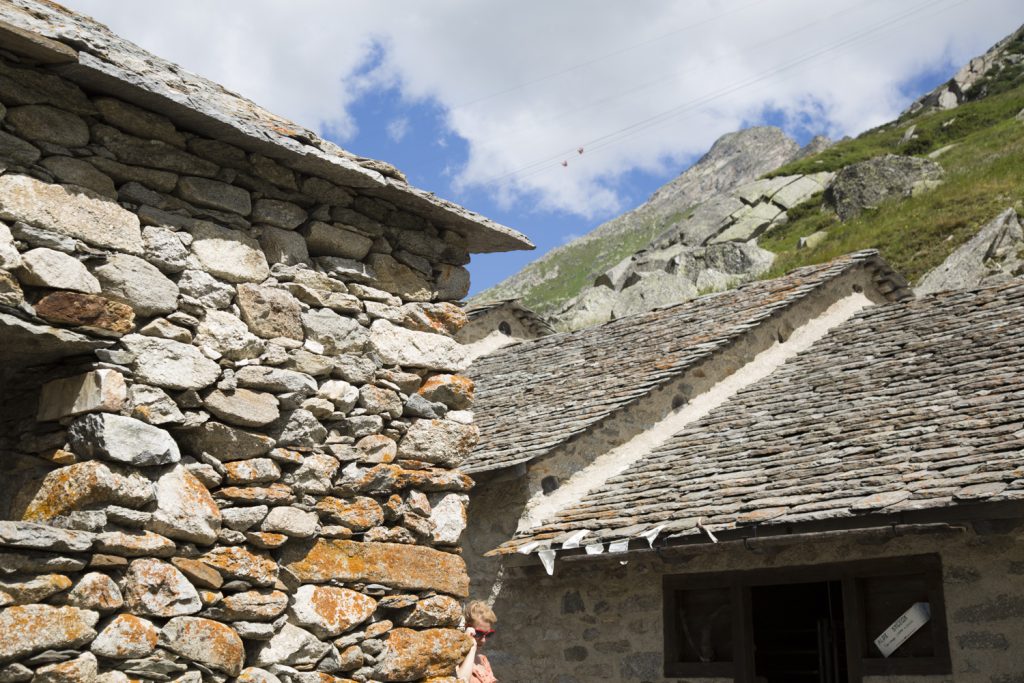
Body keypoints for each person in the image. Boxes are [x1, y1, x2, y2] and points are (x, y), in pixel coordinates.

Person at [457, 600, 498, 683]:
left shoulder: (482, 660)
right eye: (479, 633)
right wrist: (472, 647)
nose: (483, 640)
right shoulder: (454, 660)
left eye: (488, 634)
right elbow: (461, 680)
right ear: (465, 627)